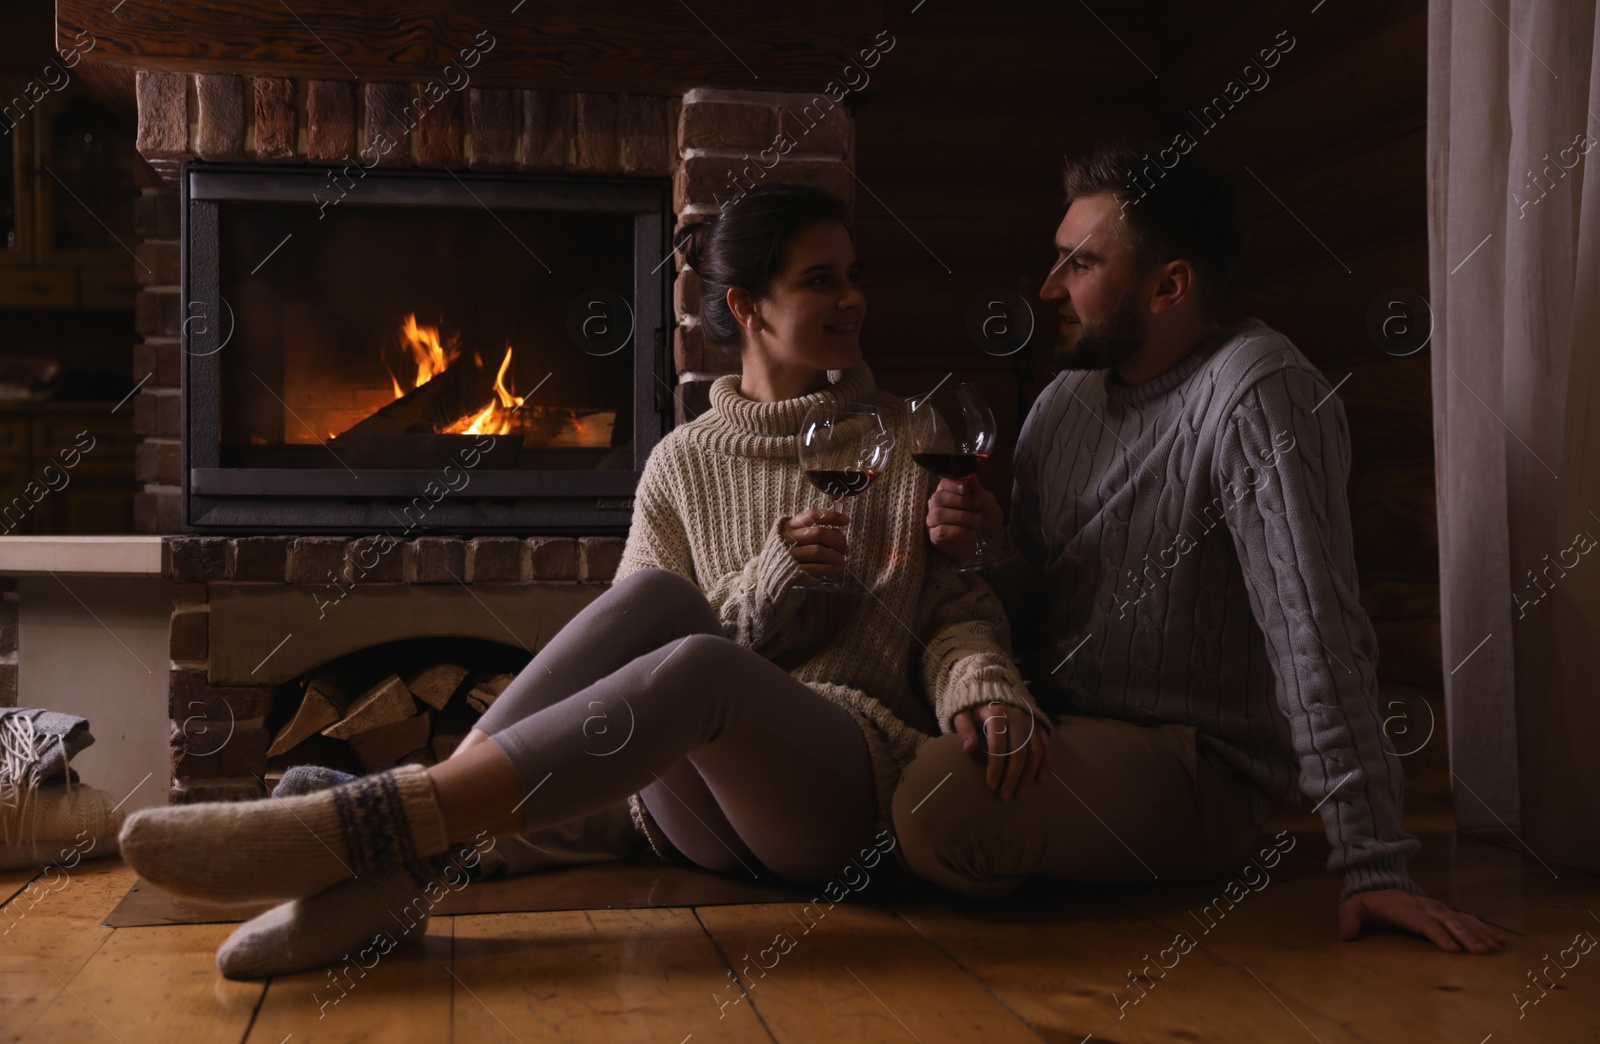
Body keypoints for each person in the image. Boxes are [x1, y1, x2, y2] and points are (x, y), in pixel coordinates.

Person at [117, 182, 1051, 978]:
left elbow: (961, 613)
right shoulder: (681, 464)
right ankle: (407, 854)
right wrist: (768, 584)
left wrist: (986, 684)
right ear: (745, 308)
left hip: (834, 784)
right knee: (653, 602)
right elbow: (636, 655)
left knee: (702, 664)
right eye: (820, 280)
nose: (850, 300)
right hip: (693, 816)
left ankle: (385, 832)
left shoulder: (911, 439)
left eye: (854, 277)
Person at [899, 140, 1506, 956]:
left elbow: (1315, 635)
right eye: (1057, 261)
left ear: (1168, 286)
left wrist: (1375, 863)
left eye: (1079, 264)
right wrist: (989, 553)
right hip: (1065, 726)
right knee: (875, 761)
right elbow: (1038, 609)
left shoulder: (1258, 390)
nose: (1049, 290)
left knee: (934, 802)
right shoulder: (1061, 403)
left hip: (1198, 767)